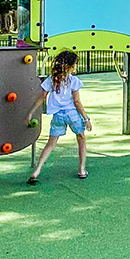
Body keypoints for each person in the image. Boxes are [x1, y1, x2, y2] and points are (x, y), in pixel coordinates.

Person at [26, 51, 92, 184]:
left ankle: (37, 170)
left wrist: (31, 112)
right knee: (81, 138)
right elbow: (77, 102)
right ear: (70, 66)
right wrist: (86, 118)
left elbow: (42, 98)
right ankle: (82, 169)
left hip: (58, 116)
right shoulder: (74, 80)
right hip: (72, 114)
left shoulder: (51, 79)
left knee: (51, 143)